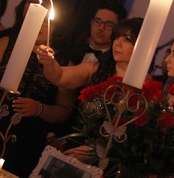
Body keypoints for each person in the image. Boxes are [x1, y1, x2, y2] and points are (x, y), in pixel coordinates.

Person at [0, 0, 77, 177]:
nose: (39, 26)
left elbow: (64, 111)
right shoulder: (6, 42)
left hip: (27, 141)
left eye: (45, 23)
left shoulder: (63, 64)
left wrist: (39, 108)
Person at [37, 17, 143, 159]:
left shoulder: (145, 89)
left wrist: (95, 151)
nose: (118, 43)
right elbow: (60, 76)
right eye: (117, 37)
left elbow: (135, 140)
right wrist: (49, 61)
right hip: (73, 150)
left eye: (127, 39)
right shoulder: (96, 69)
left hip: (109, 161)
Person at [69, 0, 127, 65]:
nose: (101, 28)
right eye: (97, 21)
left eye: (109, 24)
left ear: (118, 29)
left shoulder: (115, 63)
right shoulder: (73, 50)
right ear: (91, 23)